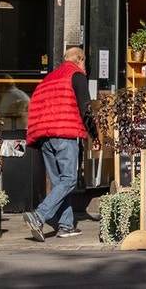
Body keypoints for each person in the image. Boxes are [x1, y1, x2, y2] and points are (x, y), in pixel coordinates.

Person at [23, 46, 92, 241]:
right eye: (84, 61)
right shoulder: (76, 75)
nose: (84, 66)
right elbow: (86, 108)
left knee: (59, 182)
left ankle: (66, 225)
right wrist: (93, 134)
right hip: (64, 133)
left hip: (44, 135)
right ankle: (39, 216)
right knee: (69, 180)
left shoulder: (48, 79)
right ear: (80, 59)